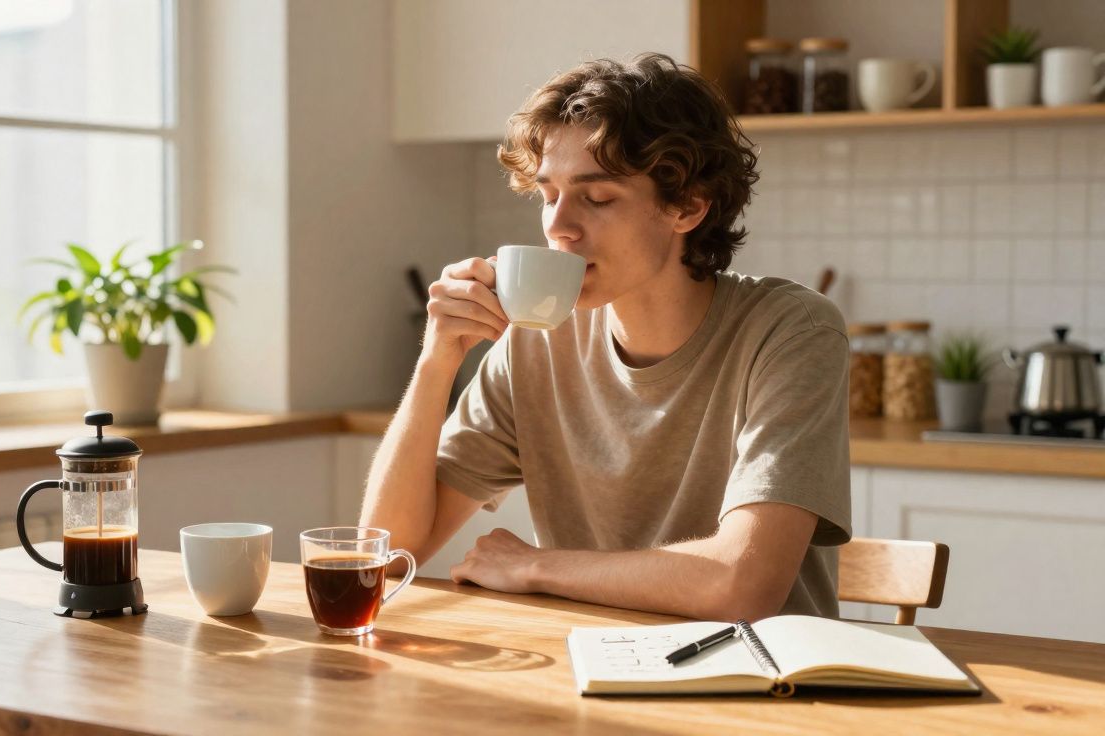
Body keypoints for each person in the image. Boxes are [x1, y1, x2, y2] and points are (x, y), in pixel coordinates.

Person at [360, 53, 850, 621]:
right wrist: (436, 360)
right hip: (593, 665)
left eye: (597, 198)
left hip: (762, 681)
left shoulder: (791, 331)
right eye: (548, 196)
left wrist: (536, 566)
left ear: (687, 205)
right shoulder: (537, 340)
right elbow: (388, 552)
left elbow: (742, 585)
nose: (558, 227)